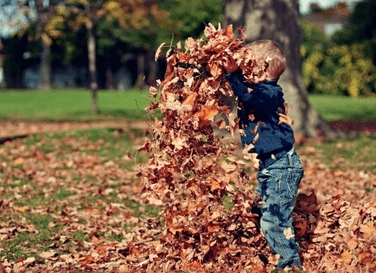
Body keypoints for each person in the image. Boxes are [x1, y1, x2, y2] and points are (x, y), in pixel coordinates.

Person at [225, 40, 304, 270]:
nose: (244, 70)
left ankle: (289, 263)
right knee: (262, 209)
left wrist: (233, 76)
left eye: (249, 65)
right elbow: (244, 92)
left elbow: (248, 95)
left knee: (275, 219)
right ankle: (270, 249)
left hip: (282, 167)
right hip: (271, 168)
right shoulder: (258, 92)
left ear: (262, 68)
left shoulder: (269, 93)